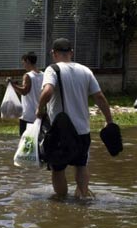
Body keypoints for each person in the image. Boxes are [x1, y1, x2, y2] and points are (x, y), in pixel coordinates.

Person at [36, 38, 114, 199]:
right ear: (71, 52)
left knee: (58, 169)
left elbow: (48, 91)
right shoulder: (85, 71)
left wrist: (39, 109)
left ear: (53, 53)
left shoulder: (53, 69)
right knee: (81, 165)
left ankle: (61, 202)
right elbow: (99, 97)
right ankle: (83, 197)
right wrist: (109, 121)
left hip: (60, 131)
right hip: (82, 130)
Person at [9, 52, 43, 137]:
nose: (23, 66)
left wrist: (12, 85)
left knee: (25, 142)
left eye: (23, 63)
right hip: (39, 114)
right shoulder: (43, 74)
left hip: (28, 115)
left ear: (27, 61)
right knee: (37, 140)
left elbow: (24, 91)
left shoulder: (28, 75)